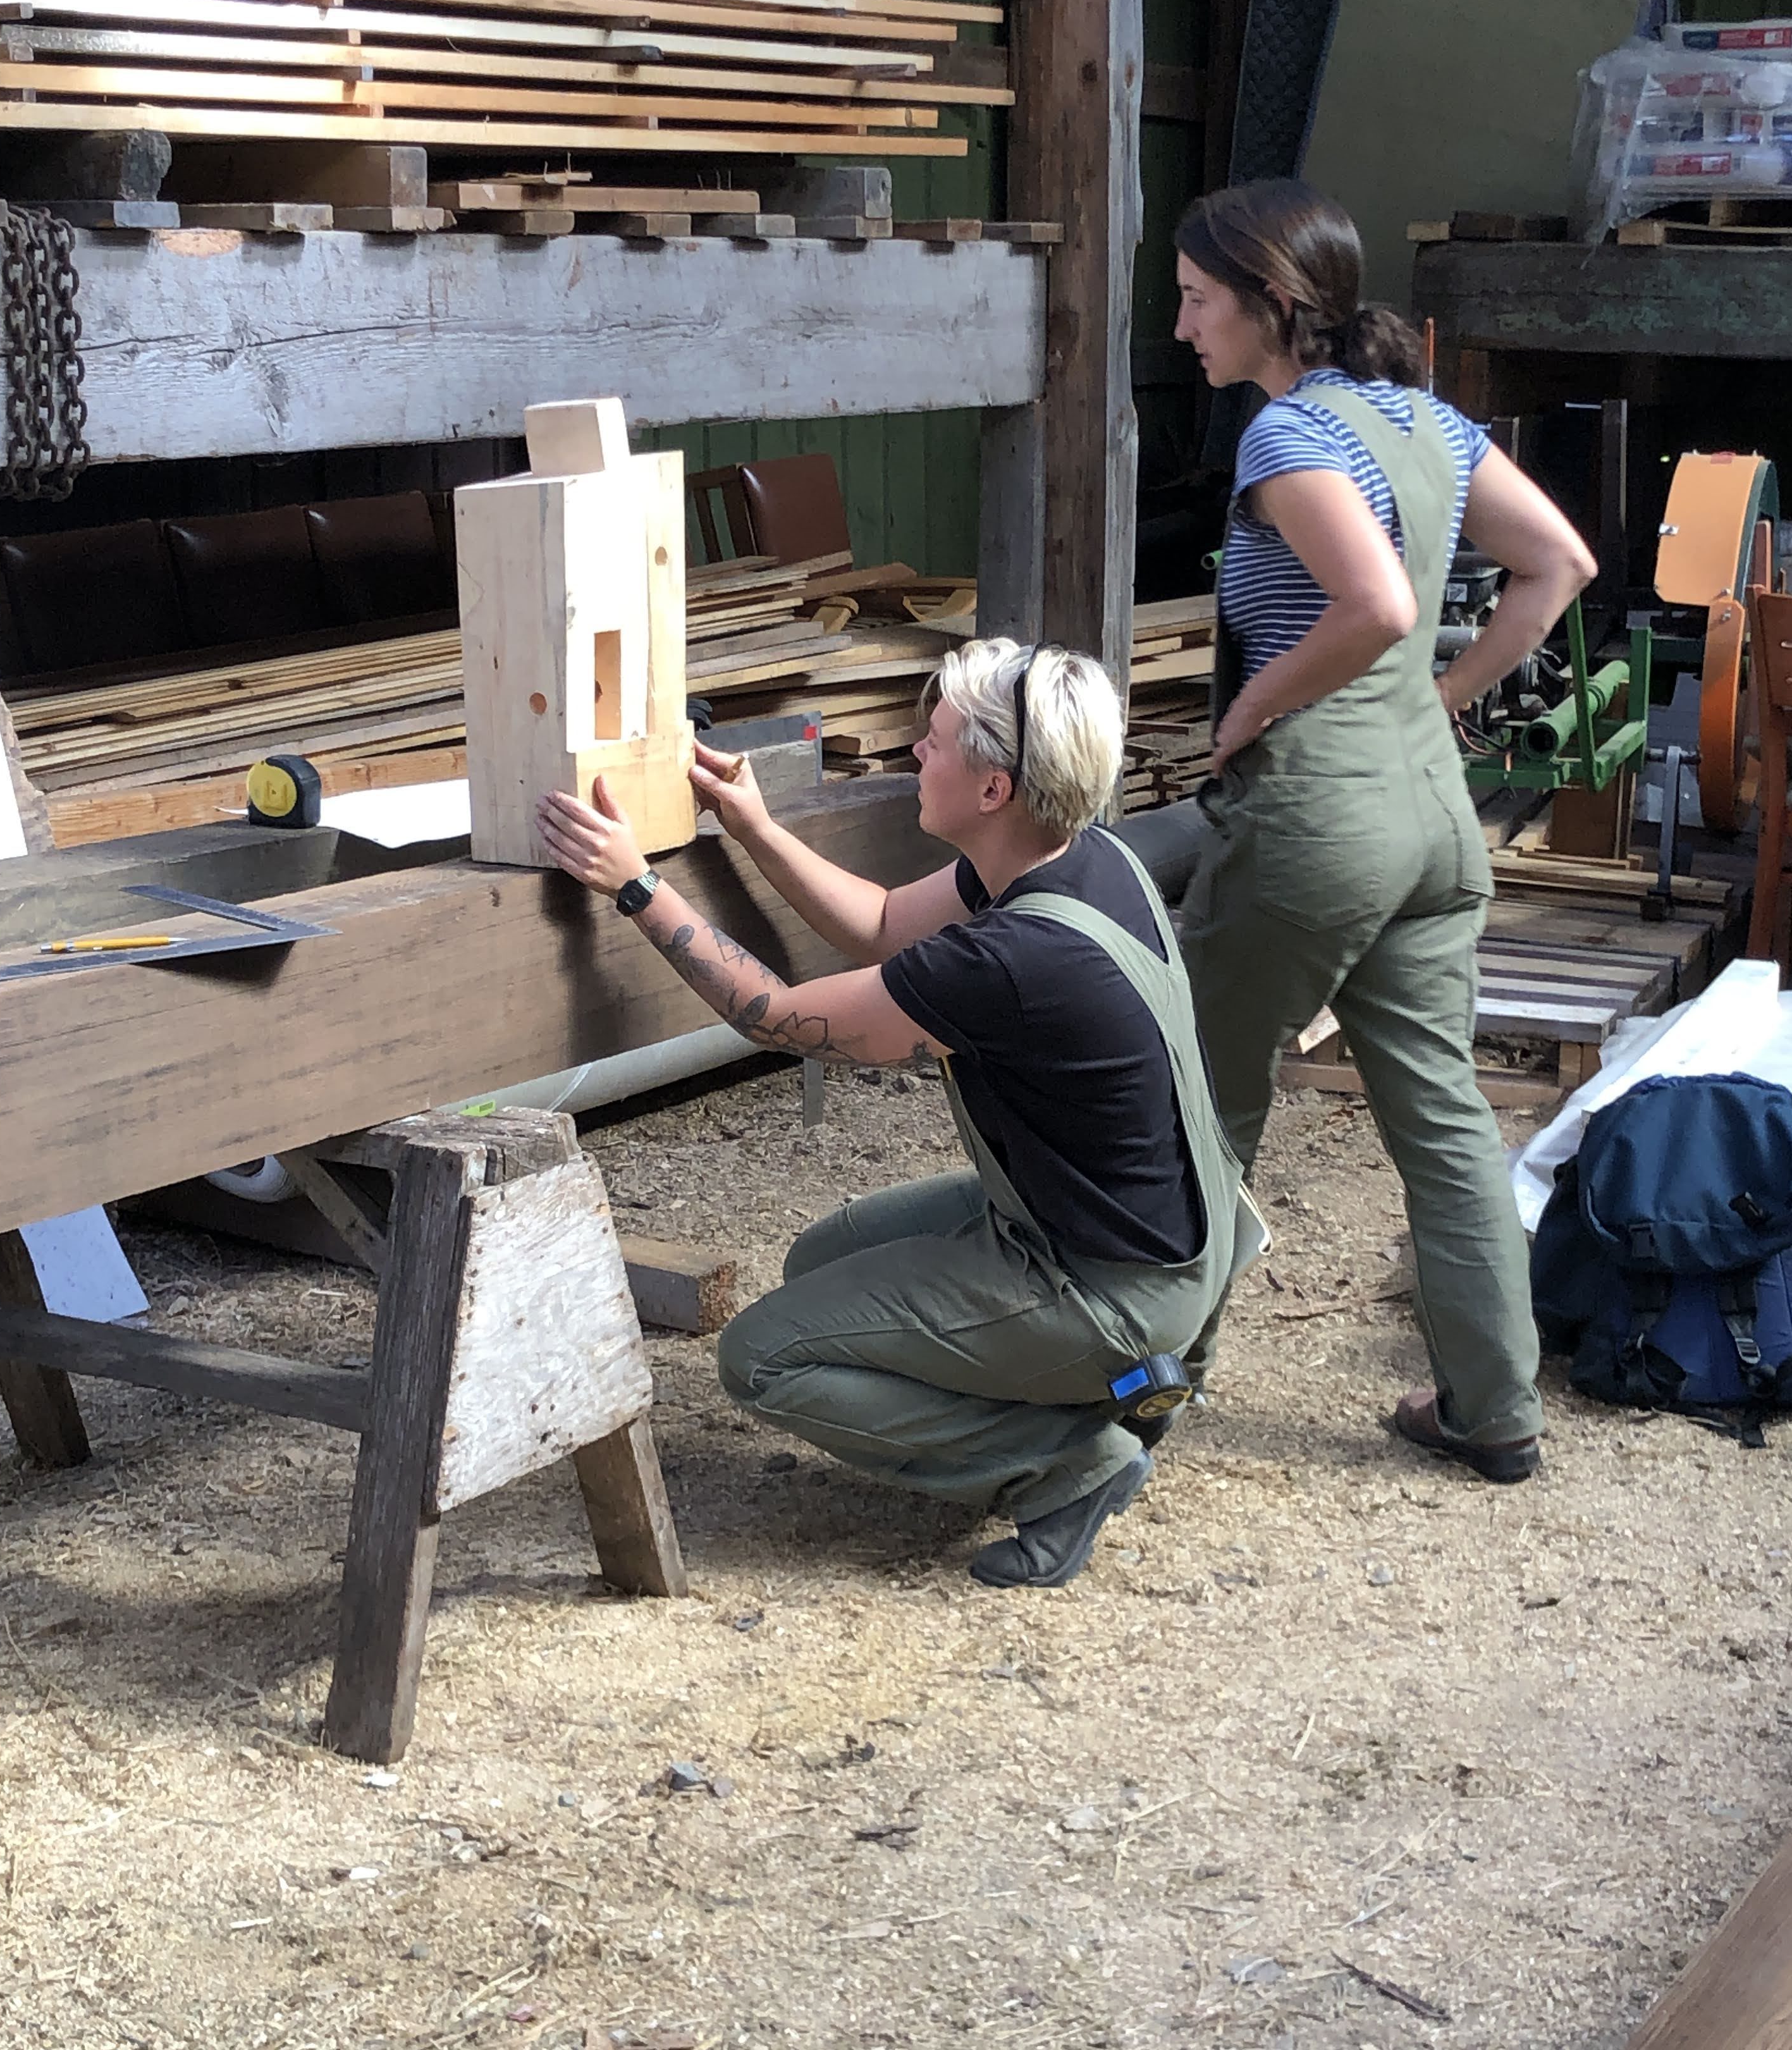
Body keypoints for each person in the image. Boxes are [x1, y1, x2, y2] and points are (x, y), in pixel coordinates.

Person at [537, 637, 1262, 1590]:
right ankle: (1086, 1400)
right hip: (1139, 1238)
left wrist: (639, 888)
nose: (917, 753)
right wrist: (752, 823)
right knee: (818, 1265)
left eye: (937, 740)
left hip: (1106, 1286)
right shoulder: (1082, 859)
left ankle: (1063, 1464)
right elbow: (880, 923)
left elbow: (776, 1018)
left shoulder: (1012, 960)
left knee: (763, 1358)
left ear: (995, 787)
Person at [1172, 179, 1597, 1483]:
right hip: (1429, 819)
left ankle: (1134, 1384)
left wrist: (1250, 703)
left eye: (1196, 302)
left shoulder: (1285, 436)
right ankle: (1494, 1408)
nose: (1183, 329)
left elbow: (1371, 601)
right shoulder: (1428, 423)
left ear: (1269, 304)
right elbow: (1562, 566)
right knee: (1444, 1117)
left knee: (1200, 1101)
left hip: (1318, 822)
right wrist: (1443, 702)